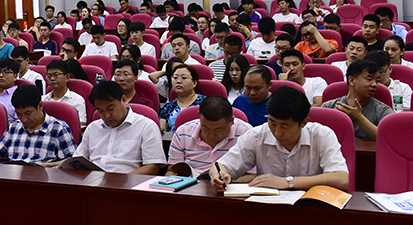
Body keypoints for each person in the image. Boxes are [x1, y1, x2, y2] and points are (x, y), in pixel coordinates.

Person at [210, 86, 349, 192]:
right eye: (272, 122)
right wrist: (219, 176)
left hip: (311, 208)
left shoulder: (322, 135)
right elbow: (221, 166)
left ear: (303, 123)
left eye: (284, 126)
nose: (277, 132)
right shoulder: (257, 135)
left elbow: (341, 179)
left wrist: (288, 182)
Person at [63, 81, 165, 173]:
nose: (107, 115)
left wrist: (120, 181)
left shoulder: (146, 126)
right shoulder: (92, 128)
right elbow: (78, 159)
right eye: (101, 111)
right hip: (93, 182)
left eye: (111, 108)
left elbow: (153, 167)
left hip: (128, 183)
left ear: (124, 100)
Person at [0, 85, 76, 165]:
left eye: (28, 113)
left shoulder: (58, 129)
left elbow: (71, 162)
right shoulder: (14, 127)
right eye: (19, 114)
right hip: (13, 174)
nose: (24, 119)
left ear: (40, 106)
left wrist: (50, 166)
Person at [167, 96, 252, 178]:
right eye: (205, 127)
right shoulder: (182, 133)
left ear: (231, 121)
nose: (211, 135)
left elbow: (253, 175)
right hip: (191, 183)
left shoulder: (246, 133)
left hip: (230, 184)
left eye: (218, 130)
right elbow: (172, 171)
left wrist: (226, 181)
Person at [321, 59, 393, 141]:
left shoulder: (383, 110)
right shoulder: (328, 107)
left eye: (377, 81)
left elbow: (388, 139)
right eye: (369, 79)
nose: (374, 85)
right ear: (351, 80)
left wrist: (359, 118)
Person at [159, 64, 205, 132]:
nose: (178, 81)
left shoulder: (205, 104)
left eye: (184, 78)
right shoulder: (168, 107)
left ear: (194, 83)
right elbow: (163, 130)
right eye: (175, 78)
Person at [42, 60, 87, 127]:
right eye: (49, 76)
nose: (52, 79)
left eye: (56, 75)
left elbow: (81, 124)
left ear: (67, 77)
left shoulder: (77, 99)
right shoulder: (43, 100)